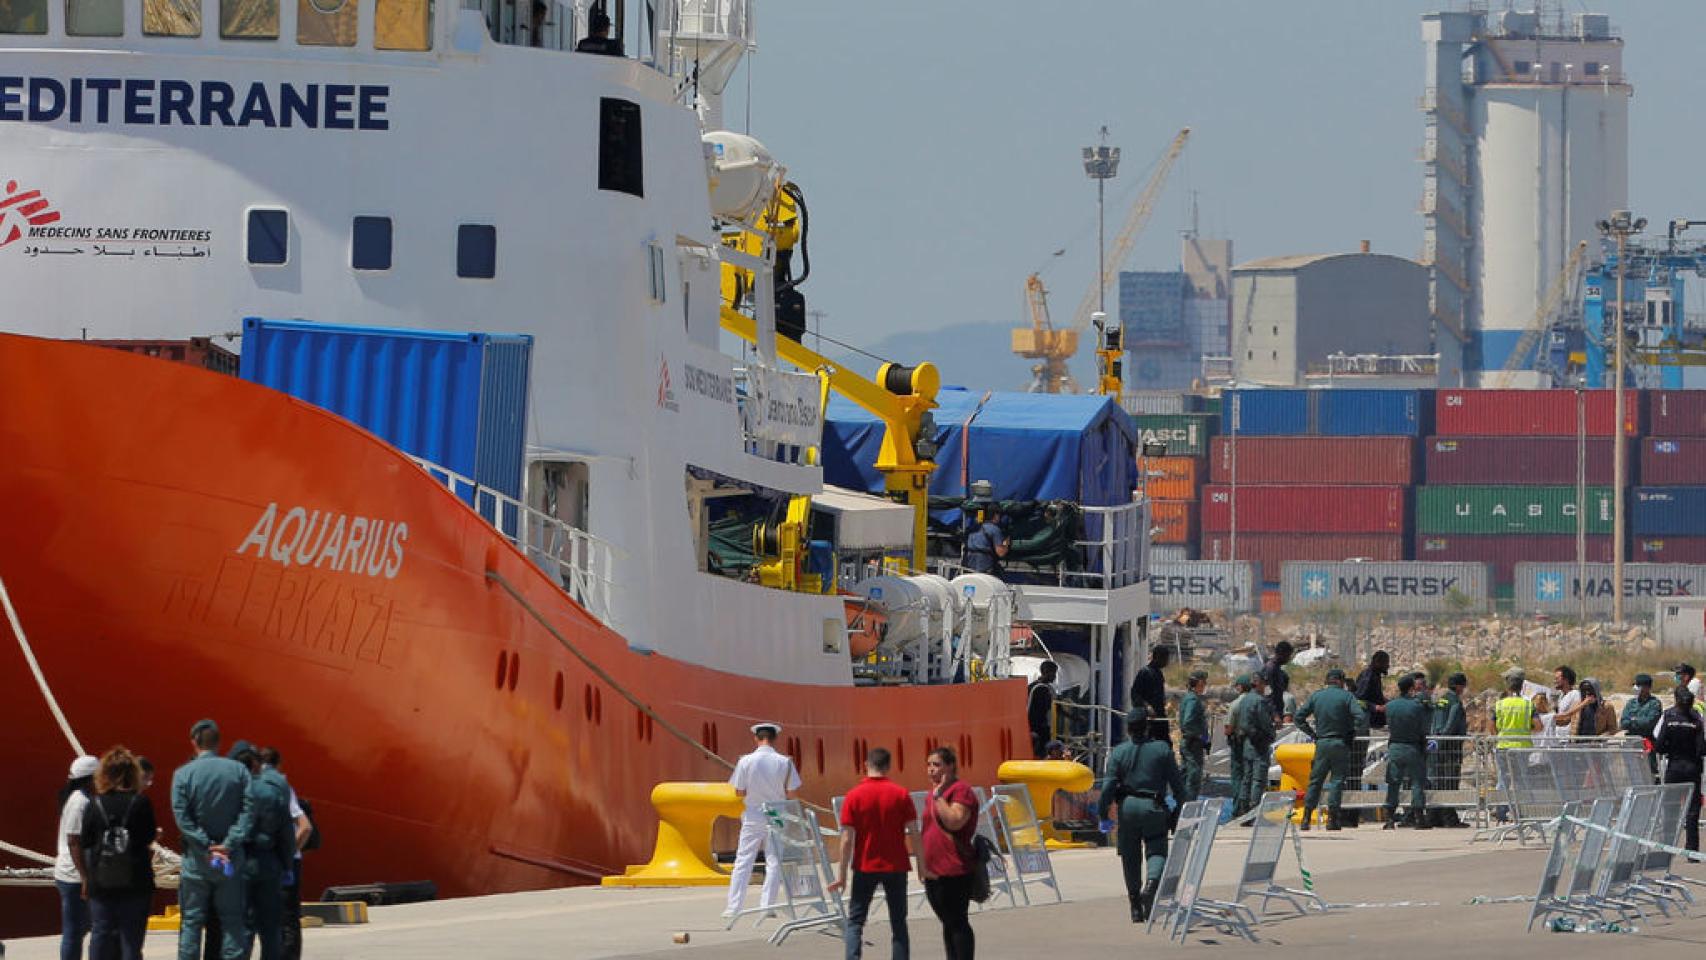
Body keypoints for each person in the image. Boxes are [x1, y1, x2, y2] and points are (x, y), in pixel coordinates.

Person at [172, 718, 255, 960]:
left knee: (192, 923)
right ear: (219, 743)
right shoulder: (238, 771)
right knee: (232, 921)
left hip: (197, 861)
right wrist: (228, 844)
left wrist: (206, 845)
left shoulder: (182, 774)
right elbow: (248, 811)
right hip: (230, 860)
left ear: (194, 742)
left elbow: (182, 817)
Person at [831, 747, 917, 960]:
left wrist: (841, 875)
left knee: (856, 921)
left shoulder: (853, 796)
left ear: (865, 765)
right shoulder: (901, 794)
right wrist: (922, 867)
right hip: (896, 864)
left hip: (865, 865)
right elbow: (915, 832)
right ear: (888, 767)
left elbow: (847, 839)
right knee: (898, 922)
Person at [1100, 707, 1185, 923]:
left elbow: (1108, 786)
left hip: (1127, 807)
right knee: (1156, 849)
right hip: (1154, 806)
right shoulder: (1162, 750)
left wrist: (1103, 814)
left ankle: (1135, 906)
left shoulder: (1118, 752)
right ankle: (1151, 885)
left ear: (1128, 729)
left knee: (1130, 856)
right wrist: (1178, 812)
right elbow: (1179, 787)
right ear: (1147, 726)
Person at [77, 747, 157, 960]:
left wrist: (86, 877)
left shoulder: (94, 804)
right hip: (135, 880)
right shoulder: (140, 803)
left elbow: (84, 841)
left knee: (101, 934)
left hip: (101, 882)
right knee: (131, 939)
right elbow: (148, 837)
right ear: (133, 773)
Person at [725, 722, 801, 919]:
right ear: (775, 738)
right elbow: (792, 792)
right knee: (774, 860)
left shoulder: (745, 761)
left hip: (754, 813)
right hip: (776, 813)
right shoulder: (785, 762)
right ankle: (767, 906)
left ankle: (734, 907)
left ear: (756, 738)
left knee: (743, 860)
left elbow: (739, 792)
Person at [228, 741, 294, 960]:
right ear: (256, 765)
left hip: (239, 862)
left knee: (241, 928)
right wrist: (287, 865)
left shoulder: (230, 793)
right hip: (268, 862)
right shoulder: (272, 792)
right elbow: (286, 834)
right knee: (270, 927)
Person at [919, 747, 976, 960]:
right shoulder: (932, 794)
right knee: (947, 921)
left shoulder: (961, 791)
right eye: (929, 765)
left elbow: (955, 821)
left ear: (950, 766)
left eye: (936, 765)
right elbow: (926, 830)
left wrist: (939, 796)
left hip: (955, 867)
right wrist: (922, 863)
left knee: (957, 920)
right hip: (934, 868)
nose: (931, 770)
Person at [257, 748, 312, 960]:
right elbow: (305, 827)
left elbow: (305, 827)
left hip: (274, 860)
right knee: (288, 917)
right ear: (279, 765)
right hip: (287, 860)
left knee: (275, 917)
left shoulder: (267, 787)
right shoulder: (283, 787)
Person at [1293, 668, 1362, 831]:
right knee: (1337, 781)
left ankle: (1306, 817)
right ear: (1341, 681)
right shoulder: (1347, 697)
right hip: (1340, 743)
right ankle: (1333, 819)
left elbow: (1298, 717)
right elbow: (1360, 716)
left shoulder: (1317, 696)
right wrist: (1352, 732)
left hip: (1322, 743)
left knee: (1315, 781)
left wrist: (1312, 734)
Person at [55, 754, 99, 960]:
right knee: (74, 932)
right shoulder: (79, 802)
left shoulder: (79, 798)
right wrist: (84, 877)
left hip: (74, 874)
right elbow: (74, 841)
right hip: (73, 876)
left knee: (79, 929)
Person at [1654, 687, 1706, 851]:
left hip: (1674, 767)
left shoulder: (1669, 718)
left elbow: (1659, 745)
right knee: (1693, 811)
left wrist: (1671, 749)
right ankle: (1692, 849)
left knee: (1671, 807)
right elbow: (1701, 748)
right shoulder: (1697, 719)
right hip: (1692, 767)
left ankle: (1668, 846)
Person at [1382, 675, 1431, 830]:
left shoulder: (1390, 705)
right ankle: (1418, 818)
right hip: (1413, 747)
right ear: (1411, 688)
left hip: (1395, 746)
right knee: (1417, 783)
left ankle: (1389, 818)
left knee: (1393, 783)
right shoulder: (1417, 706)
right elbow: (1424, 728)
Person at [1428, 673, 1469, 827]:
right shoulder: (1455, 702)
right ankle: (1449, 818)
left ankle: (1434, 816)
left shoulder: (1441, 700)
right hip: (1450, 747)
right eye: (1463, 686)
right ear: (1459, 686)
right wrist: (1446, 738)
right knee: (1451, 782)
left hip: (1437, 745)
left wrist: (1435, 739)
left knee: (1439, 781)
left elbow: (1434, 722)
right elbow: (1451, 724)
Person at [1236, 673, 1275, 818]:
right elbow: (1265, 722)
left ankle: (1243, 808)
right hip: (1259, 744)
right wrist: (1271, 734)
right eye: (1263, 683)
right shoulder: (1259, 701)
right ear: (1258, 684)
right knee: (1258, 778)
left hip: (1248, 744)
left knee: (1247, 777)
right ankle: (1254, 811)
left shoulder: (1245, 699)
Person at [1622, 674, 1664, 782]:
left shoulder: (1654, 704)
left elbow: (1649, 723)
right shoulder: (1631, 703)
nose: (1636, 688)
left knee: (1650, 772)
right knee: (1633, 773)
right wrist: (1636, 721)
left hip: (1648, 743)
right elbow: (1623, 722)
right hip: (1632, 742)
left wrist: (1633, 720)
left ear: (1647, 687)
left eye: (1638, 686)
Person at [1177, 670, 1210, 802]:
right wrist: (1200, 737)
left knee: (1185, 775)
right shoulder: (1193, 699)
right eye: (1204, 682)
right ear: (1200, 683)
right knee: (1193, 777)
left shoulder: (1189, 697)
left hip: (1190, 742)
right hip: (1193, 744)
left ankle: (1181, 806)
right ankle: (1188, 808)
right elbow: (1188, 721)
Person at [1128, 645, 1171, 741]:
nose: (1167, 662)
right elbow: (1135, 694)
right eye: (1165, 658)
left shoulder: (1158, 673)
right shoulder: (1145, 672)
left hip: (1159, 715)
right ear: (1157, 657)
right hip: (1148, 718)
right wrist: (1147, 706)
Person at [1224, 674, 1252, 816]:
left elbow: (1228, 728)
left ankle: (1237, 809)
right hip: (1254, 745)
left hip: (1238, 745)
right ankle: (1248, 809)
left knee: (1237, 778)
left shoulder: (1235, 704)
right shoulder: (1256, 702)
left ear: (1240, 687)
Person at [961, 510, 1008, 577]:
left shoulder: (972, 528)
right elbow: (1001, 553)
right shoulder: (994, 529)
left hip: (968, 563)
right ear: (996, 516)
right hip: (984, 565)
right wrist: (1007, 541)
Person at [1027, 662, 1058, 759]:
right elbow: (1053, 707)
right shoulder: (1042, 689)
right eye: (1054, 673)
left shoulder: (1031, 686)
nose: (1055, 677)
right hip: (1039, 728)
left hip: (1034, 727)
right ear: (1047, 672)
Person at [1258, 641, 1293, 722]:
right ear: (1282, 654)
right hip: (1270, 713)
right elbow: (1267, 694)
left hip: (1276, 709)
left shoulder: (1278, 669)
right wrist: (1275, 715)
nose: (1289, 658)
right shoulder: (1270, 669)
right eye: (1288, 655)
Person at [1551, 665, 1583, 737]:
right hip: (1558, 737)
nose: (1554, 681)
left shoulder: (1575, 694)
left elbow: (1573, 716)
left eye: (1557, 679)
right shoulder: (1561, 695)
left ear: (1566, 680)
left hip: (1567, 738)